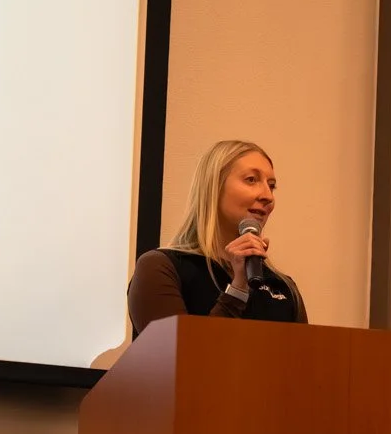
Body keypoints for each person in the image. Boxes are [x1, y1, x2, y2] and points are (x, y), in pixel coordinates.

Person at [127, 139, 308, 338]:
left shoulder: (283, 287)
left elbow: (304, 356)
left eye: (271, 186)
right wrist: (237, 290)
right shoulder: (162, 268)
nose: (268, 196)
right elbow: (183, 354)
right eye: (251, 180)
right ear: (214, 187)